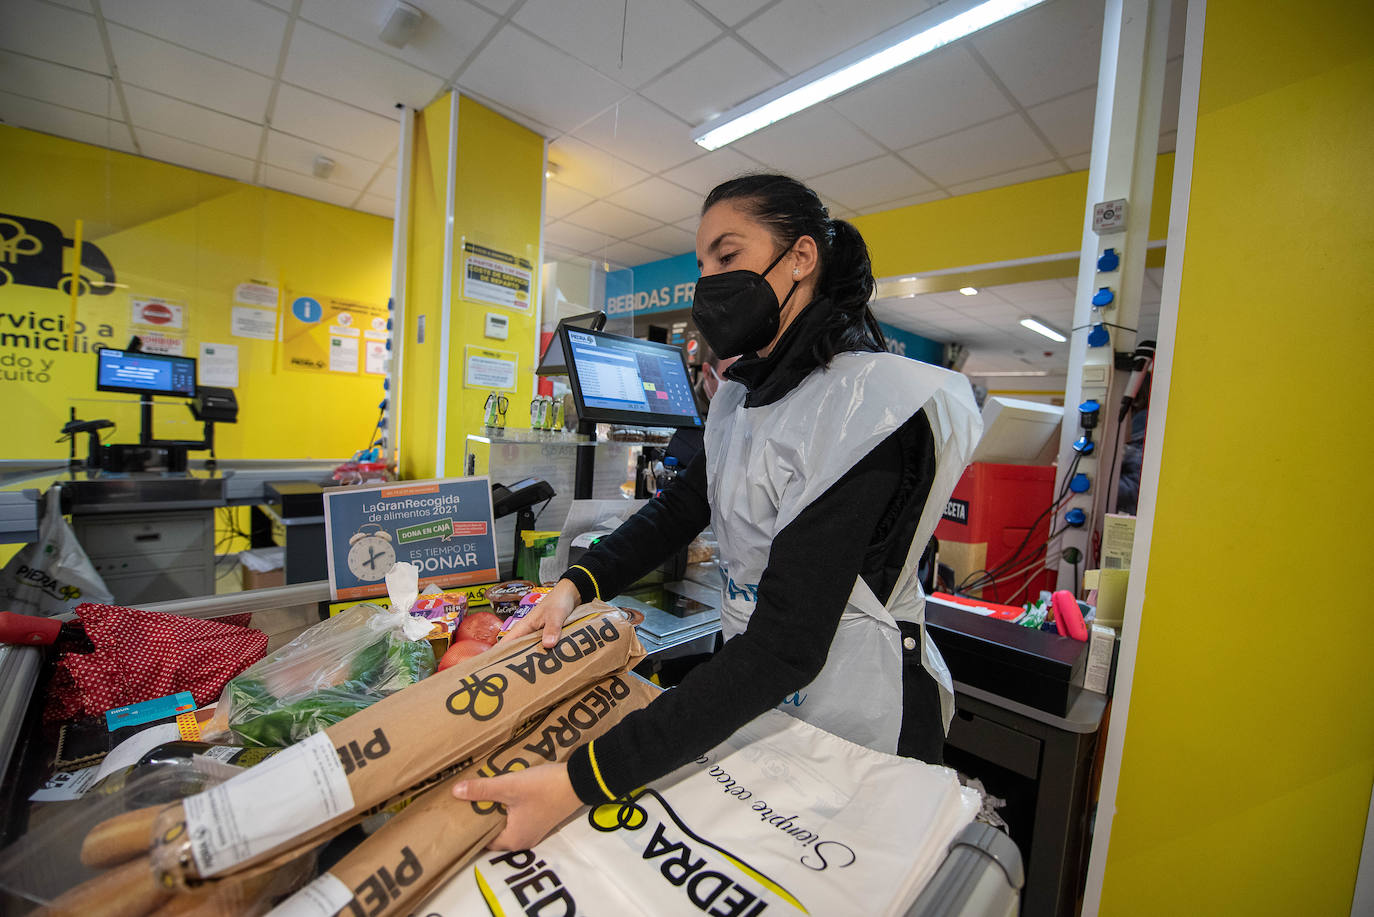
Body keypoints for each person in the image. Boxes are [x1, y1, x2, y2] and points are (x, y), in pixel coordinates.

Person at [453, 174, 982, 849]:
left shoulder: (862, 408)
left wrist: (581, 780)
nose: (708, 281)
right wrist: (574, 585)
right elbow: (681, 507)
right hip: (759, 699)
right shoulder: (742, 396)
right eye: (702, 263)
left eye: (727, 257)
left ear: (799, 258)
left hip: (858, 710)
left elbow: (785, 647)